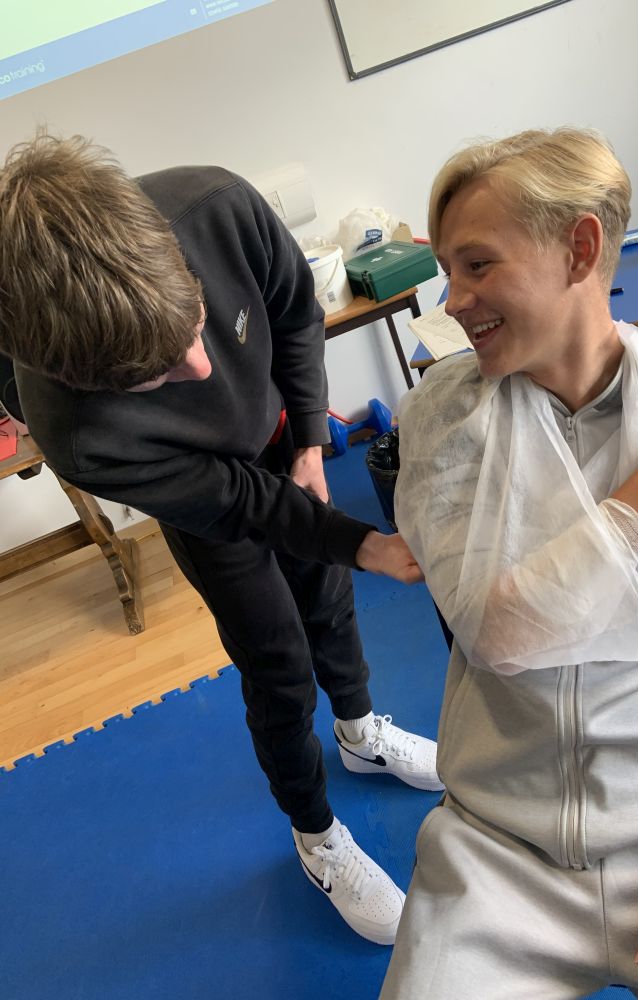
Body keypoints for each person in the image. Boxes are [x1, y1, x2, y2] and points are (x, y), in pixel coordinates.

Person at [0, 132, 444, 948]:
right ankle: (316, 837)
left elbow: (296, 313)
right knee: (276, 661)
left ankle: (360, 736)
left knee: (328, 598)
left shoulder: (217, 205)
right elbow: (239, 502)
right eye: (161, 375)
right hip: (212, 499)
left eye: (198, 324)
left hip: (281, 439)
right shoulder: (75, 433)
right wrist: (364, 542)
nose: (201, 368)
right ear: (89, 384)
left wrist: (308, 437)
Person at [380, 127, 638, 998]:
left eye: (477, 265)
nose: (453, 301)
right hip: (495, 851)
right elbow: (499, 632)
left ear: (580, 249)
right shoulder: (441, 419)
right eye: (447, 271)